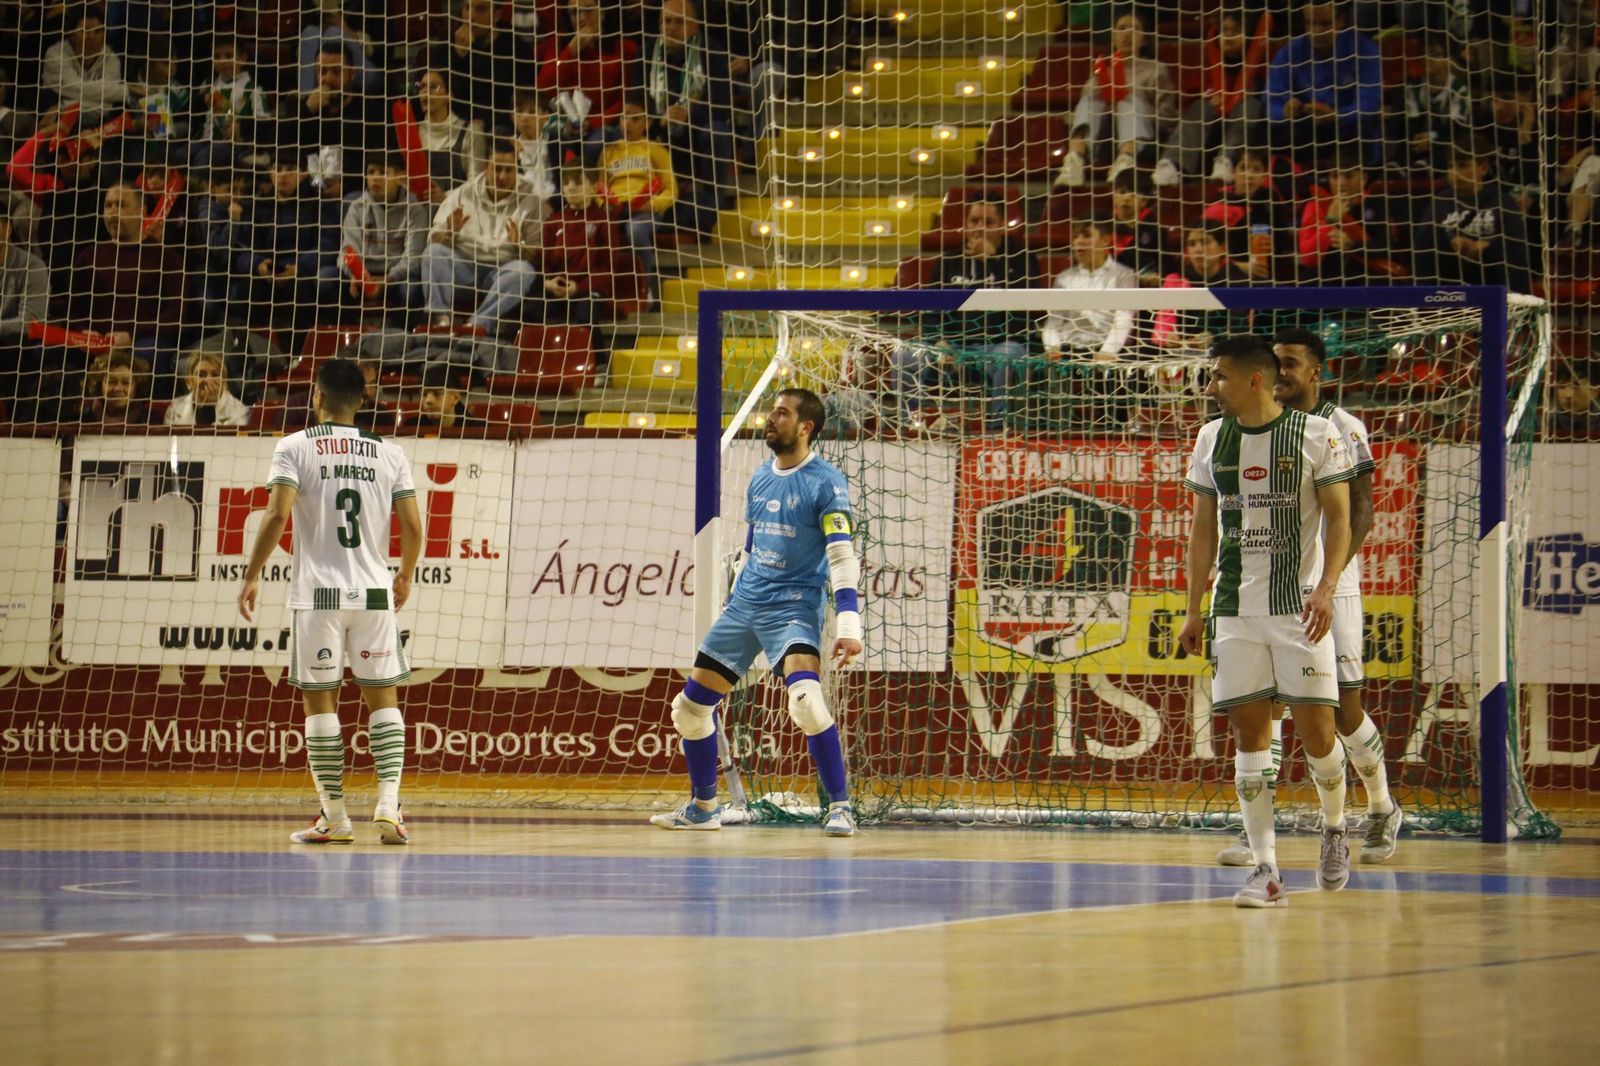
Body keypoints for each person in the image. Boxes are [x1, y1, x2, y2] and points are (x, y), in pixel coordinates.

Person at [1178, 334, 1355, 908]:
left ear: (1254, 380)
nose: (1211, 387)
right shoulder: (1211, 438)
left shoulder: (1315, 434)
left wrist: (1326, 588)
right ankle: (1267, 870)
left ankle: (1335, 828)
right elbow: (1203, 530)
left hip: (1298, 608)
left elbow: (1340, 519)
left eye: (1220, 377)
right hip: (1234, 609)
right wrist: (1193, 610)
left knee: (1319, 738)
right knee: (1249, 738)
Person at [1215, 327, 1402, 868]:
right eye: (1278, 363)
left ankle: (1382, 807)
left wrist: (1328, 575)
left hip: (1329, 586)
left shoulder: (1340, 427)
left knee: (1342, 712)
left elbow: (1360, 510)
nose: (1285, 372)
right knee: (1263, 707)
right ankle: (1260, 843)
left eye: (1293, 363)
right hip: (1262, 592)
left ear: (1317, 370)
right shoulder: (1237, 430)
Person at [650, 387, 862, 836]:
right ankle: (704, 808)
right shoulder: (761, 476)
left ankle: (840, 807)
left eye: (782, 414)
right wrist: (733, 591)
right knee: (688, 710)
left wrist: (848, 623)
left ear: (806, 427)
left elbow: (841, 557)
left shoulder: (826, 481)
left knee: (805, 702)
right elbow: (751, 544)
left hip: (793, 607)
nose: (771, 419)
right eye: (772, 411)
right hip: (745, 604)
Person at [237, 358, 423, 846]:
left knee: (321, 703)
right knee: (382, 695)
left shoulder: (294, 447)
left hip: (317, 595)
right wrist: (404, 574)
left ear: (316, 397)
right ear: (363, 401)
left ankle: (335, 816)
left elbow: (277, 516)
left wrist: (251, 575)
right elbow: (415, 527)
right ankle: (389, 803)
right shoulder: (389, 452)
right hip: (375, 591)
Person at [894, 193, 1038, 430]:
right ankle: (909, 425)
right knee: (904, 356)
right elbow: (930, 310)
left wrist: (993, 260)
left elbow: (1024, 313)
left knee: (1011, 355)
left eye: (988, 222)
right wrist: (939, 341)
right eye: (974, 221)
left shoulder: (1022, 259)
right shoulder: (950, 260)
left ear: (1002, 225)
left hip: (998, 346)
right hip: (953, 346)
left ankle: (997, 428)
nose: (979, 228)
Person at [420, 137, 544, 335]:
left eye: (509, 170)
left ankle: (477, 324)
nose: (502, 176)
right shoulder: (463, 193)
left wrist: (518, 244)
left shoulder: (530, 200)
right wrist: (449, 232)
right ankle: (440, 321)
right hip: (463, 270)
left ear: (516, 170)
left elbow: (535, 254)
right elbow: (433, 239)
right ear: (486, 167)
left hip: (501, 271)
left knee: (524, 272)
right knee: (433, 253)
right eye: (497, 169)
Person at [1055, 12, 1175, 187]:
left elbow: (1168, 117)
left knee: (1126, 100)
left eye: (1135, 29)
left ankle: (1126, 160)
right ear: (1113, 37)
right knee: (1091, 100)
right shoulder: (1101, 68)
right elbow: (1085, 106)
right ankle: (1075, 159)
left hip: (1143, 137)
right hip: (1103, 137)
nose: (1127, 33)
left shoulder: (1157, 70)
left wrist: (1130, 104)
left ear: (1144, 39)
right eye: (1121, 29)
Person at [1157, 9, 1272, 185]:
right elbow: (1188, 97)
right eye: (1225, 30)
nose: (1229, 36)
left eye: (1236, 30)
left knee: (1250, 105)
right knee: (1200, 106)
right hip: (1210, 129)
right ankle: (1173, 164)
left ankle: (1226, 161)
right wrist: (1207, 96)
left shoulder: (1262, 63)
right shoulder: (1209, 63)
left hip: (1246, 129)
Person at [1265, 2, 1382, 168]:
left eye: (1324, 24)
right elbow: (1271, 101)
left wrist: (1336, 115)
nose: (1316, 32)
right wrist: (1286, 110)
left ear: (1341, 21)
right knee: (1265, 131)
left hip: (1347, 130)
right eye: (1310, 23)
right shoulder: (1290, 52)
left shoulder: (1365, 51)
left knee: (1366, 128)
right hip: (1305, 129)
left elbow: (1369, 104)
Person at [597, 98, 676, 300]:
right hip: (615, 210)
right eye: (624, 117)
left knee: (637, 229)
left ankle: (646, 288)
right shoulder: (608, 152)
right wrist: (603, 205)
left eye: (635, 119)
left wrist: (652, 205)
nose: (628, 124)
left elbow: (671, 189)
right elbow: (599, 188)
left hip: (644, 210)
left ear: (647, 122)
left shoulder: (656, 150)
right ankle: (600, 290)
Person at [340, 153, 431, 311]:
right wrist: (356, 275)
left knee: (413, 291)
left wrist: (386, 280)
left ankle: (398, 333)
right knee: (325, 280)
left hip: (396, 276)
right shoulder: (356, 207)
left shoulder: (415, 209)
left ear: (399, 177)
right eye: (371, 172)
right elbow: (348, 249)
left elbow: (413, 259)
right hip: (363, 273)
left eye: (383, 172)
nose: (375, 178)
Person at [40, 4, 141, 124]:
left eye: (98, 31)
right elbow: (74, 88)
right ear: (72, 34)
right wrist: (124, 90)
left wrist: (61, 107)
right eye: (85, 31)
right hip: (52, 121)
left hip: (91, 121)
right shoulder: (55, 54)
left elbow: (105, 106)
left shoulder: (112, 59)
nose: (92, 36)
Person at [412, 68, 485, 205]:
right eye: (421, 86)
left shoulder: (471, 132)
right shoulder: (412, 131)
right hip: (417, 213)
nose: (425, 92)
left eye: (433, 86)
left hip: (458, 211)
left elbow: (476, 185)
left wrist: (447, 197)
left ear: (449, 95)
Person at [164, 349, 250, 427]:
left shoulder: (240, 411)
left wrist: (210, 407)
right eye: (201, 375)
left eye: (215, 375)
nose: (208, 380)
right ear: (188, 381)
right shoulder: (174, 409)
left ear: (224, 381)